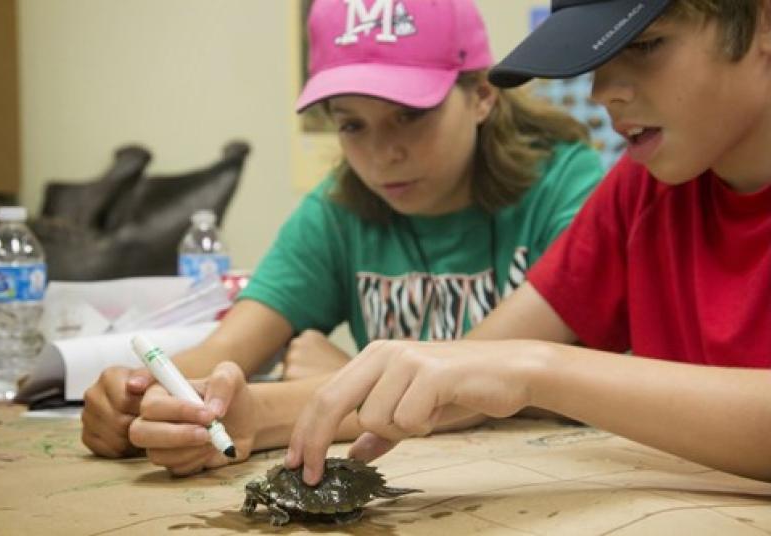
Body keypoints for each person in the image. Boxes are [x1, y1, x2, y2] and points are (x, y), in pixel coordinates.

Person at [81, 0, 603, 474]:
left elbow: (471, 383)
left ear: (483, 95)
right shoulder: (338, 207)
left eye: (411, 115)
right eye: (352, 125)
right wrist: (143, 396)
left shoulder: (568, 188)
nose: (381, 155)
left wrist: (340, 380)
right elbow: (227, 351)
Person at [284, 0, 771, 486]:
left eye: (645, 44)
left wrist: (538, 367)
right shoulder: (643, 189)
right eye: (596, 62)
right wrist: (242, 413)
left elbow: (514, 365)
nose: (602, 92)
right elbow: (465, 370)